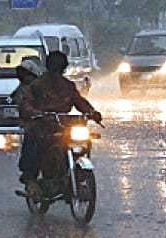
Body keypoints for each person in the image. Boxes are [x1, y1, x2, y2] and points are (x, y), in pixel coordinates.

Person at [19, 51, 102, 186]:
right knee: (33, 140)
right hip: (43, 125)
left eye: (59, 68)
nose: (56, 73)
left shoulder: (68, 86)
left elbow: (79, 101)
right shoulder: (37, 85)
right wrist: (37, 113)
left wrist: (92, 113)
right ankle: (30, 177)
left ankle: (73, 170)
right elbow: (26, 103)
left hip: (64, 125)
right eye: (54, 68)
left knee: (85, 141)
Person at [13, 58, 46, 186]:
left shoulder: (44, 85)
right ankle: (29, 174)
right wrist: (35, 113)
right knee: (32, 142)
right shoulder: (22, 89)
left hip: (49, 121)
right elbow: (22, 105)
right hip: (34, 123)